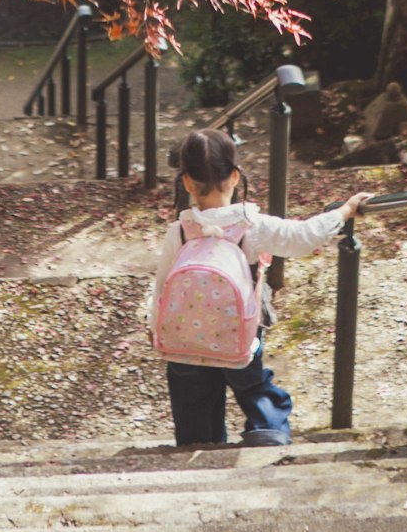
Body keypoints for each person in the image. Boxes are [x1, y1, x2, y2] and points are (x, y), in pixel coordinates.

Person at [150, 126, 371, 448]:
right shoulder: (252, 227)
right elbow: (303, 237)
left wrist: (154, 326)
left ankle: (199, 444)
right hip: (238, 335)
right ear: (236, 176)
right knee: (252, 386)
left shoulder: (179, 231)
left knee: (192, 398)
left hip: (186, 341)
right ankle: (267, 428)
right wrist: (346, 209)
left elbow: (161, 287)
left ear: (186, 182)